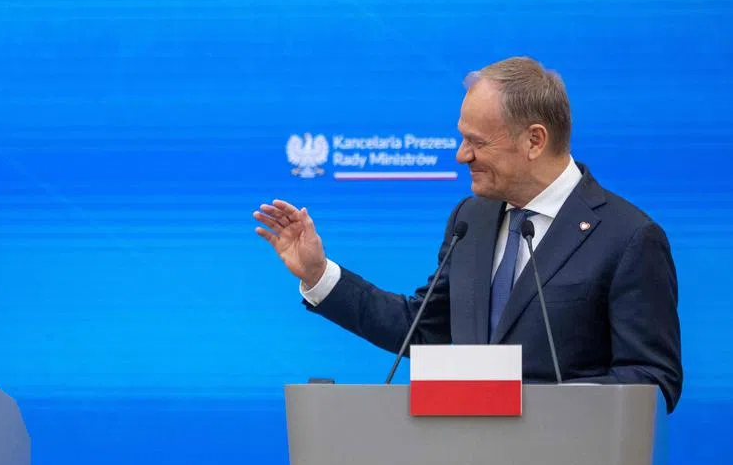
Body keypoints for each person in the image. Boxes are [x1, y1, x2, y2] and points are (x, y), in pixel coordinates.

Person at [254, 56, 682, 411]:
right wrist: (317, 274)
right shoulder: (471, 219)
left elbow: (651, 380)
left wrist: (538, 405)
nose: (462, 155)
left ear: (534, 140)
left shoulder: (628, 238)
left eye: (476, 142)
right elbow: (421, 329)